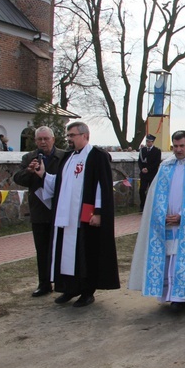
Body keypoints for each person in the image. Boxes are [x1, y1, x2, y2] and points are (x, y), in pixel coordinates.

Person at [31, 121, 120, 307]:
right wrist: (43, 175)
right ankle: (69, 289)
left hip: (84, 217)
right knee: (64, 254)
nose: (69, 139)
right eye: (68, 135)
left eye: (72, 135)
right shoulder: (68, 157)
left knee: (85, 254)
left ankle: (87, 292)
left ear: (85, 136)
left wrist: (99, 212)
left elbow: (102, 186)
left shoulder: (97, 156)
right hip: (66, 217)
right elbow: (61, 183)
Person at [128, 130, 185, 310]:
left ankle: (183, 297)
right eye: (175, 146)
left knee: (183, 260)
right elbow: (154, 193)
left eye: (182, 146)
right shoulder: (166, 165)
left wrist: (184, 216)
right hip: (167, 222)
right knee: (169, 258)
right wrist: (161, 214)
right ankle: (168, 294)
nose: (178, 150)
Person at [13, 126, 65, 297]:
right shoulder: (29, 157)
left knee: (61, 248)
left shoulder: (64, 156)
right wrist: (29, 171)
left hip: (60, 210)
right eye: (39, 139)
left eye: (46, 138)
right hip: (40, 211)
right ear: (35, 141)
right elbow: (18, 179)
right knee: (42, 250)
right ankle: (44, 283)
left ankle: (63, 282)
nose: (43, 142)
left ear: (53, 139)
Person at [138, 134, 162, 212]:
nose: (148, 143)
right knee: (142, 190)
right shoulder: (142, 150)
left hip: (152, 173)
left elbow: (157, 162)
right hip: (144, 174)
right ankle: (143, 205)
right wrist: (142, 169)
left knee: (152, 190)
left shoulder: (157, 151)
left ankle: (152, 206)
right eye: (147, 141)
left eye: (150, 142)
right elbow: (140, 161)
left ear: (152, 142)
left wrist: (148, 169)